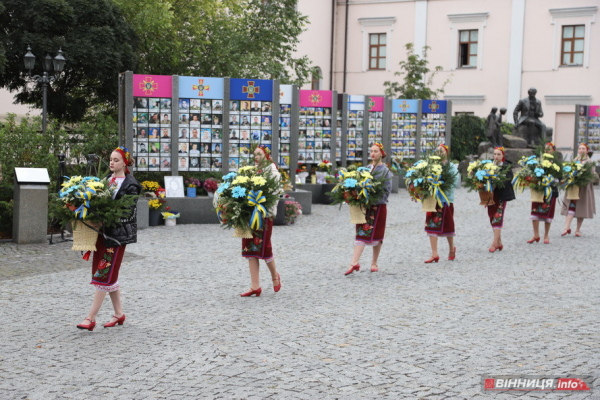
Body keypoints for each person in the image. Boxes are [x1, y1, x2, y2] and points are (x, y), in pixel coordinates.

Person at [76, 147, 142, 331]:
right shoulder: (106, 181)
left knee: (103, 273)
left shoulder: (131, 185)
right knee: (107, 273)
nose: (112, 163)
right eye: (111, 159)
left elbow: (128, 213)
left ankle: (90, 318)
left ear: (125, 163)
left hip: (118, 236)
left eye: (116, 160)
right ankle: (119, 314)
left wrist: (105, 218)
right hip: (102, 234)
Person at [240, 145, 283, 297]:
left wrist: (261, 208)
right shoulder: (252, 171)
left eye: (259, 154)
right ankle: (255, 286)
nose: (256, 157)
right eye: (254, 154)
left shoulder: (273, 173)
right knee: (250, 249)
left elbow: (274, 196)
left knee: (265, 249)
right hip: (251, 215)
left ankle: (274, 276)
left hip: (264, 215)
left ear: (266, 155)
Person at [345, 143, 393, 275]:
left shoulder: (385, 171)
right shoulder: (365, 169)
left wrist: (373, 195)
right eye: (371, 151)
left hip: (378, 207)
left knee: (377, 236)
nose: (373, 154)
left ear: (381, 153)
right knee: (361, 233)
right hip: (365, 207)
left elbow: (386, 191)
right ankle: (354, 262)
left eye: (376, 151)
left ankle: (374, 262)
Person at [424, 144, 459, 263]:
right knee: (431, 225)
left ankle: (451, 249)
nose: (439, 153)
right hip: (433, 199)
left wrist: (441, 184)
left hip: (446, 199)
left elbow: (454, 182)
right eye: (437, 151)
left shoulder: (451, 167)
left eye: (442, 151)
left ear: (446, 153)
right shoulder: (431, 166)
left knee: (448, 225)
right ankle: (434, 253)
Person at [561, 143, 597, 237]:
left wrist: (585, 178)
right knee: (571, 206)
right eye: (580, 148)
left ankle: (577, 230)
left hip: (584, 189)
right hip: (574, 187)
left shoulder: (589, 162)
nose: (581, 150)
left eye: (583, 149)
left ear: (587, 151)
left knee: (581, 208)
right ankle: (566, 228)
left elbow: (594, 175)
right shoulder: (574, 161)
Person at [529, 142, 561, 243]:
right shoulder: (538, 162)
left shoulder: (556, 163)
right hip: (539, 190)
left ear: (553, 151)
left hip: (550, 191)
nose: (546, 150)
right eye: (545, 148)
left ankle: (546, 236)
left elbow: (560, 178)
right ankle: (536, 234)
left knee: (548, 213)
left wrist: (551, 180)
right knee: (535, 211)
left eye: (549, 149)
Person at [487, 147, 515, 252]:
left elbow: (508, 179)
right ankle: (499, 242)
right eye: (494, 154)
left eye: (498, 154)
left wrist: (498, 182)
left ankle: (493, 244)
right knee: (491, 217)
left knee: (497, 217)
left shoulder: (506, 166)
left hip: (501, 196)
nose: (496, 156)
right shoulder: (489, 165)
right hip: (490, 195)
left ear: (503, 155)